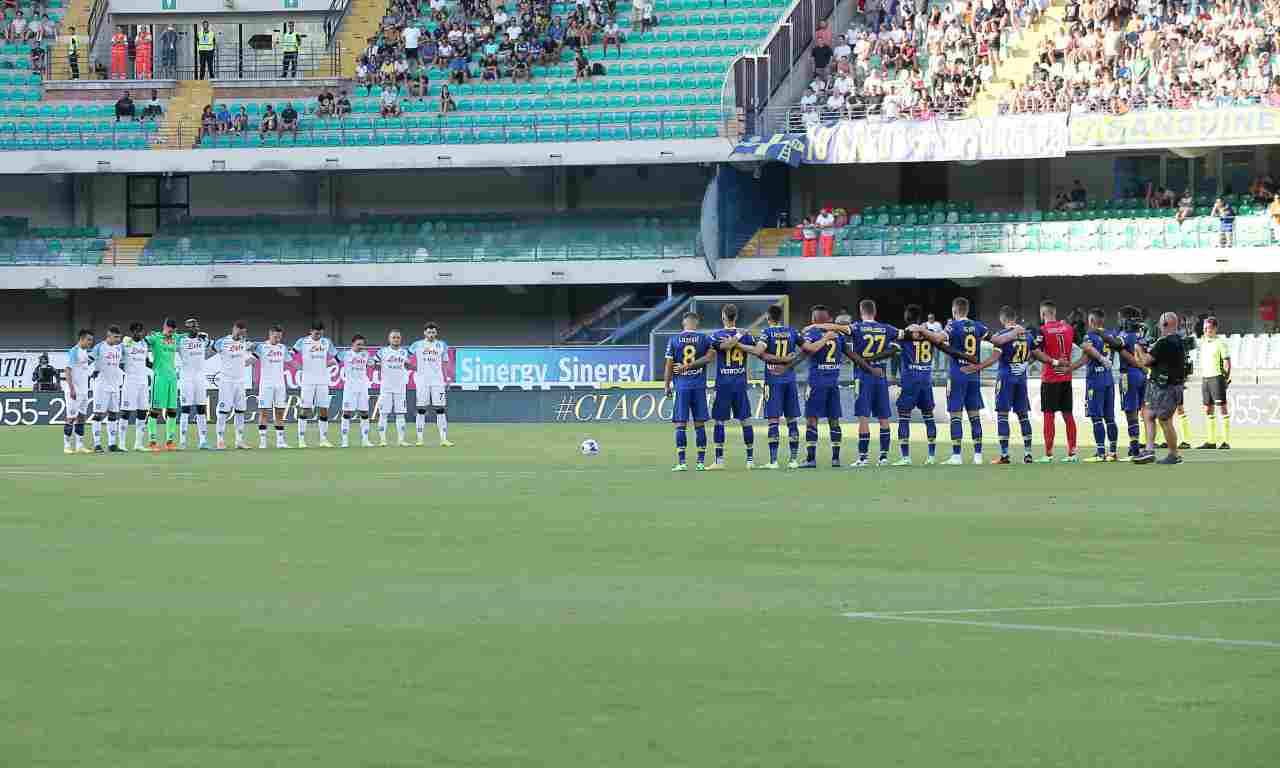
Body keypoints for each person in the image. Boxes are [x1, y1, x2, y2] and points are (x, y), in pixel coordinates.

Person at [965, 306, 1035, 464]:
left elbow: (994, 357)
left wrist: (977, 367)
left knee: (1002, 415)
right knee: (1023, 416)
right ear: (1015, 318)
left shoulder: (1002, 335)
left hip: (1005, 379)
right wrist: (1026, 364)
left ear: (1002, 319)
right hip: (1021, 379)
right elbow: (1036, 354)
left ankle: (1004, 455)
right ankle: (1028, 454)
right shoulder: (1027, 336)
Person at [748, 304, 802, 469]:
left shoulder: (767, 333)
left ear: (768, 318)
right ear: (781, 317)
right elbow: (806, 349)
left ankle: (773, 461)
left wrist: (777, 359)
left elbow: (758, 352)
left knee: (773, 420)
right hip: (790, 380)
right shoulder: (792, 332)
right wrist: (788, 360)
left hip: (773, 381)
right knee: (792, 420)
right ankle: (793, 460)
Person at [705, 304, 756, 470]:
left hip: (724, 385)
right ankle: (750, 460)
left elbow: (722, 348)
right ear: (736, 317)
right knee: (745, 421)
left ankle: (719, 461)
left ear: (723, 316)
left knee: (719, 421)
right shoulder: (746, 336)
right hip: (740, 383)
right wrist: (741, 334)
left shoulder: (717, 335)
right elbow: (756, 349)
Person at [1133, 312, 1187, 465]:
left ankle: (1174, 454)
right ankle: (1149, 450)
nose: (1157, 326)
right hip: (1165, 385)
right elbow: (1146, 363)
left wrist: (1138, 348)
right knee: (1149, 415)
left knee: (1164, 420)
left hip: (1166, 387)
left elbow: (1145, 360)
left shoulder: (1164, 342)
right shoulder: (1177, 340)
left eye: (1160, 323)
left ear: (1165, 325)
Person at [893, 304, 943, 465]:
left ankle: (906, 457)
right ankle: (931, 456)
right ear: (921, 318)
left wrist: (893, 375)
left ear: (906, 318)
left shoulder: (904, 334)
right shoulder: (931, 334)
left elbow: (894, 353)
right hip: (926, 381)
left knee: (903, 418)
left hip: (910, 381)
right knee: (929, 417)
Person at [663, 311, 712, 471]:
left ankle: (682, 463)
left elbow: (669, 365)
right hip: (698, 386)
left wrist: (667, 385)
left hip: (682, 387)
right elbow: (708, 358)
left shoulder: (674, 339)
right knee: (699, 425)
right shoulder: (704, 338)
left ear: (683, 323)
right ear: (696, 323)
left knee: (680, 424)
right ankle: (700, 462)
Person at [1030, 299, 1079, 462]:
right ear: (1055, 313)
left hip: (1050, 377)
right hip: (1066, 376)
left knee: (1049, 416)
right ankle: (1072, 453)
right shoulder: (1068, 328)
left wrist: (1052, 361)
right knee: (1068, 415)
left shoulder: (1042, 330)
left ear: (1043, 314)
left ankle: (1048, 454)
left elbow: (1035, 351)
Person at [797, 305, 844, 468]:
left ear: (813, 320)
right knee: (834, 420)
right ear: (829, 319)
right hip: (833, 382)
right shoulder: (838, 335)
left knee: (812, 419)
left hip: (816, 382)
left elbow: (807, 350)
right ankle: (836, 458)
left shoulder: (811, 333)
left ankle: (810, 459)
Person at [943, 296, 988, 465]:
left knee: (956, 415)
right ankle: (978, 455)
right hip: (974, 376)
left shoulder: (952, 325)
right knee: (974, 416)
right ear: (967, 310)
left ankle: (956, 456)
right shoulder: (978, 326)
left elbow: (939, 338)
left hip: (957, 374)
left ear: (955, 311)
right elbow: (993, 339)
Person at [1077, 309, 1119, 462]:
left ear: (1092, 321)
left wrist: (1069, 367)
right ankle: (1112, 452)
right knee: (1110, 418)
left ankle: (1101, 453)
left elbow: (1086, 351)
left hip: (1095, 380)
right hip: (1108, 379)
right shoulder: (1110, 336)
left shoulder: (1090, 336)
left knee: (1096, 417)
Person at [293, 321, 337, 449]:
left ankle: (323, 439)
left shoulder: (326, 342)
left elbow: (337, 355)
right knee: (305, 408)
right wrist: (298, 366)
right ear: (310, 331)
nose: (318, 335)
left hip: (323, 380)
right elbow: (290, 355)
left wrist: (330, 363)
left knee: (323, 409)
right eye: (316, 332)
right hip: (307, 380)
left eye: (320, 332)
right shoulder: (302, 341)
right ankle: (301, 440)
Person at [410, 322, 453, 447]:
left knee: (440, 409)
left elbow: (446, 362)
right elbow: (405, 357)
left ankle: (444, 439)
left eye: (433, 332)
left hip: (437, 381)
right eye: (429, 332)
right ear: (424, 333)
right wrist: (411, 367)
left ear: (436, 333)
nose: (431, 334)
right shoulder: (417, 345)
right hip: (422, 381)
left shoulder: (442, 345)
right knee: (421, 409)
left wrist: (448, 378)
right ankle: (419, 439)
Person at [211, 321, 253, 450]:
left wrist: (251, 359)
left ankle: (239, 440)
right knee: (224, 410)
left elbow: (248, 360)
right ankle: (220, 440)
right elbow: (209, 351)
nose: (240, 334)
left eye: (243, 332)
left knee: (240, 410)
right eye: (238, 331)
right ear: (234, 329)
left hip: (240, 381)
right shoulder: (222, 342)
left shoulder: (244, 343)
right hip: (226, 381)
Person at [144, 318, 180, 451]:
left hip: (172, 378)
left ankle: (170, 441)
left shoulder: (176, 337)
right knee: (155, 410)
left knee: (172, 410)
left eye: (173, 329)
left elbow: (189, 336)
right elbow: (142, 343)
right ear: (164, 326)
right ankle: (152, 441)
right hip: (159, 377)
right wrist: (147, 361)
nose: (171, 331)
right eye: (169, 328)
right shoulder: (155, 337)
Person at [253, 325, 290, 449]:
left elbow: (291, 362)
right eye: (276, 336)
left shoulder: (283, 348)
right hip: (266, 385)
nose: (278, 338)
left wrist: (305, 369)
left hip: (280, 385)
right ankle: (262, 442)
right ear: (270, 334)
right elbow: (252, 360)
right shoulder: (262, 347)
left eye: (280, 336)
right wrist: (242, 361)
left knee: (280, 413)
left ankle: (280, 442)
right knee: (264, 413)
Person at [1197, 316, 1231, 450]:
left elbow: (1227, 363)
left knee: (1222, 408)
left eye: (1208, 328)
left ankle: (1225, 441)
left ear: (1215, 329)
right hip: (1205, 378)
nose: (1206, 331)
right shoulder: (1203, 342)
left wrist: (1226, 379)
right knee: (1207, 409)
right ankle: (1211, 441)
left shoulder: (1220, 343)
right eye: (1204, 328)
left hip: (1217, 378)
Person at [176, 318, 211, 450]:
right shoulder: (181, 341)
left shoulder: (203, 338)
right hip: (186, 378)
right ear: (186, 329)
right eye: (191, 327)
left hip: (200, 378)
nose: (195, 329)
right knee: (185, 409)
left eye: (196, 326)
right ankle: (183, 441)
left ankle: (203, 440)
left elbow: (211, 347)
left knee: (201, 409)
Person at [90, 326, 125, 453]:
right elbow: (88, 360)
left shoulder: (120, 348)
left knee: (113, 414)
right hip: (101, 386)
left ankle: (111, 444)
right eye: (116, 337)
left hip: (115, 386)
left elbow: (124, 362)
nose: (118, 339)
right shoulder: (99, 347)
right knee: (98, 414)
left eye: (119, 337)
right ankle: (97, 444)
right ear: (109, 336)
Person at [374, 329, 412, 447]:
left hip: (400, 387)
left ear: (400, 339)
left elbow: (407, 365)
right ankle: (382, 440)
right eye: (393, 337)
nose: (396, 339)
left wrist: (409, 365)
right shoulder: (382, 352)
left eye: (398, 337)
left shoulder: (404, 352)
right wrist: (379, 366)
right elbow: (374, 364)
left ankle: (401, 440)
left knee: (400, 414)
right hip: (386, 387)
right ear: (389, 339)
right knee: (384, 414)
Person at [336, 335, 374, 448]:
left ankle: (365, 440)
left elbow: (373, 364)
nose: (360, 346)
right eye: (358, 344)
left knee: (365, 413)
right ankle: (344, 441)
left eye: (362, 344)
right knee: (347, 413)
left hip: (363, 387)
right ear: (352, 344)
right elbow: (333, 361)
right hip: (350, 387)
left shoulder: (366, 354)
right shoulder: (345, 354)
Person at [120, 322, 152, 451]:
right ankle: (121, 443)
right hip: (130, 381)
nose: (139, 333)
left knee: (143, 411)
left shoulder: (144, 344)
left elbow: (146, 362)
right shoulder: (126, 343)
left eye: (141, 331)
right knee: (126, 412)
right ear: (132, 332)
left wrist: (158, 367)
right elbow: (118, 360)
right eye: (137, 331)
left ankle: (138, 443)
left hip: (143, 381)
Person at [62, 329, 95, 454]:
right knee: (70, 418)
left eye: (91, 340)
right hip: (74, 391)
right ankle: (66, 445)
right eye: (88, 340)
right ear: (81, 339)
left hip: (84, 391)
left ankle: (79, 445)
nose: (90, 342)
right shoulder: (73, 351)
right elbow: (68, 371)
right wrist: (71, 389)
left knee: (81, 418)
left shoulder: (85, 352)